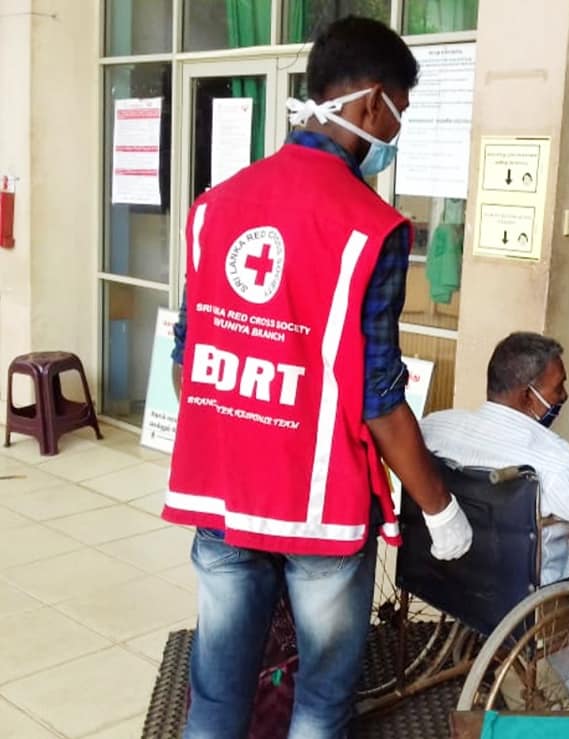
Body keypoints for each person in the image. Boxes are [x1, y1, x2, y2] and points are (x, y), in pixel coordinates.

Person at [165, 17, 472, 739]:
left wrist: (240, 437)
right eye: (398, 112)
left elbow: (188, 359)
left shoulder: (215, 206)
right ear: (370, 102)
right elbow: (377, 395)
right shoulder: (371, 228)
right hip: (320, 510)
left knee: (216, 697)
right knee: (320, 701)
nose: (395, 132)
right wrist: (440, 508)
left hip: (226, 496)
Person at [421, 332, 569, 585]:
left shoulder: (434, 428)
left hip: (454, 576)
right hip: (536, 588)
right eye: (558, 387)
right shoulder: (556, 463)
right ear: (527, 396)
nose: (564, 396)